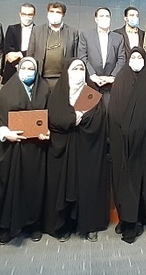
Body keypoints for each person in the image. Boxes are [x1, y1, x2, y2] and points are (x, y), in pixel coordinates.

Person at [109, 47, 146, 243]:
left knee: (142, 181)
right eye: (133, 57)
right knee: (122, 180)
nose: (136, 60)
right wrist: (125, 130)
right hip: (122, 141)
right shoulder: (121, 79)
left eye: (139, 57)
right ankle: (125, 218)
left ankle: (138, 218)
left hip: (145, 140)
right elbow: (114, 109)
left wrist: (137, 129)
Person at [44, 59, 109, 242]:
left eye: (81, 68)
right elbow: (53, 117)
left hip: (87, 149)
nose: (78, 72)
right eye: (74, 69)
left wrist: (83, 120)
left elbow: (99, 119)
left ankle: (89, 225)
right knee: (62, 186)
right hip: (63, 149)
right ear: (67, 72)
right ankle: (63, 226)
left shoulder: (92, 93)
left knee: (87, 186)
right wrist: (72, 119)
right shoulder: (58, 93)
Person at [0, 57, 50, 244]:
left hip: (35, 149)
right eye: (24, 67)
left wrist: (47, 131)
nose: (27, 71)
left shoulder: (44, 89)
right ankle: (7, 226)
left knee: (34, 186)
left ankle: (33, 224)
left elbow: (49, 116)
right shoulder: (6, 90)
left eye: (31, 68)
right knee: (10, 187)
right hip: (12, 149)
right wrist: (5, 133)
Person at [77, 7, 126, 107]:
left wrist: (112, 77)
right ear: (96, 19)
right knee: (88, 112)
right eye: (102, 16)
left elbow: (121, 59)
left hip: (110, 85)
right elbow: (82, 56)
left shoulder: (118, 37)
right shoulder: (86, 35)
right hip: (90, 83)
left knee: (109, 113)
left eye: (107, 16)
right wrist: (93, 75)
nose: (105, 18)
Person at [27, 1, 79, 89]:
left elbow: (76, 57)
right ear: (47, 13)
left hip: (63, 79)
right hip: (41, 78)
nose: (54, 14)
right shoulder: (37, 30)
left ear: (63, 15)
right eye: (52, 11)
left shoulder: (73, 32)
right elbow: (30, 54)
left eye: (58, 12)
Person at [2, 3, 36, 83]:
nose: (27, 17)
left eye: (30, 14)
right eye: (24, 14)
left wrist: (20, 54)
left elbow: (37, 50)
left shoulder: (38, 30)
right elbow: (8, 50)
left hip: (31, 70)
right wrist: (18, 64)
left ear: (34, 15)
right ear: (20, 14)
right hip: (12, 70)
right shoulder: (12, 29)